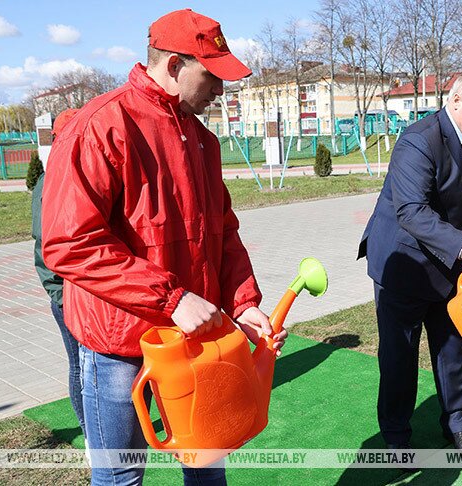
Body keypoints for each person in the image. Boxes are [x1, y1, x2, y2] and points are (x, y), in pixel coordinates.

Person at [41, 9, 286, 485]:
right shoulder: (101, 125)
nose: (221, 89)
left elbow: (223, 230)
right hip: (117, 344)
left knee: (206, 469)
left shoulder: (202, 140)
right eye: (212, 75)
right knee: (121, 477)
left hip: (194, 339)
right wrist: (171, 299)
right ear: (174, 66)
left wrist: (244, 302)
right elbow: (68, 243)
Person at [358, 72, 462, 460]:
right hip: (403, 265)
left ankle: (457, 425)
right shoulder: (418, 141)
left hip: (452, 263)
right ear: (455, 100)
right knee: (399, 357)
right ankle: (395, 437)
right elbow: (411, 211)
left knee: (453, 348)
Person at [31, 109, 84, 437]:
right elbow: (47, 248)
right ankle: (92, 437)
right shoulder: (51, 180)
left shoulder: (78, 172)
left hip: (89, 297)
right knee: (80, 367)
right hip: (68, 297)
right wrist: (62, 297)